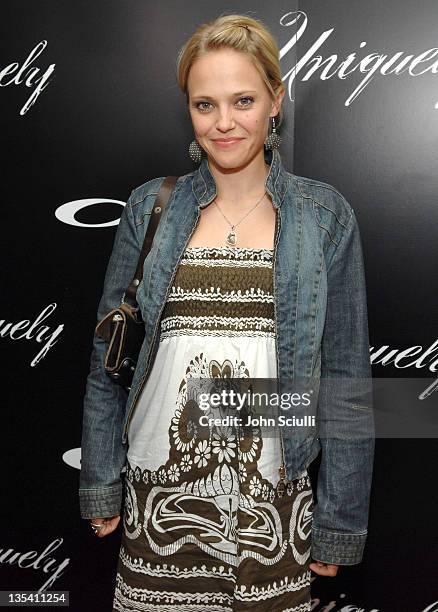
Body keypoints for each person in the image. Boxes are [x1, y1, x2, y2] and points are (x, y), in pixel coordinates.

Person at [79, 13, 374, 611]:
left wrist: (340, 518)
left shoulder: (323, 216)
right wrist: (101, 483)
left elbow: (344, 379)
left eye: (242, 99)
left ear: (275, 100)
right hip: (158, 499)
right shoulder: (149, 209)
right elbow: (109, 363)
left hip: (275, 502)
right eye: (204, 104)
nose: (224, 122)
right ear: (188, 110)